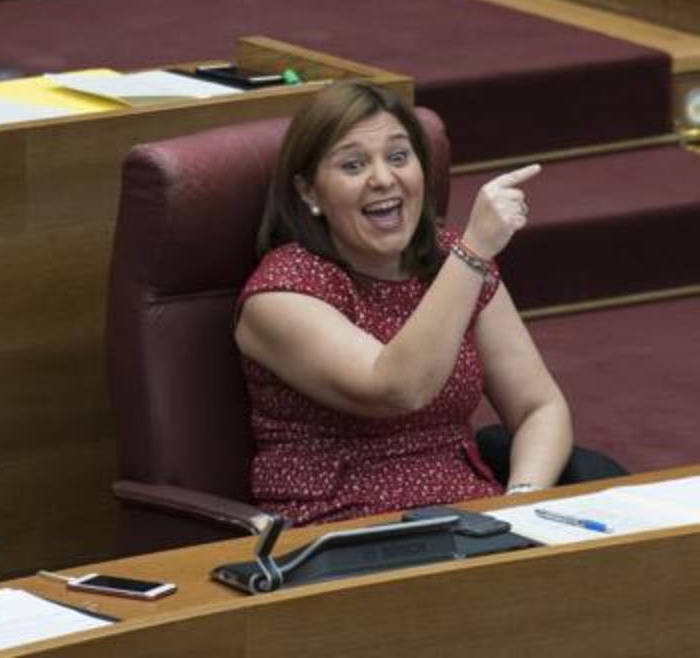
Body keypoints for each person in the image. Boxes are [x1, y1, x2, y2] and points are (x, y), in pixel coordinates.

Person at [234, 81, 574, 526]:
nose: (383, 178)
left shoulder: (448, 260)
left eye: (398, 157)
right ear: (309, 192)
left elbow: (539, 407)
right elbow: (399, 389)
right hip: (343, 535)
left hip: (474, 524)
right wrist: (472, 254)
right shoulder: (283, 290)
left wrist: (521, 500)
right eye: (353, 165)